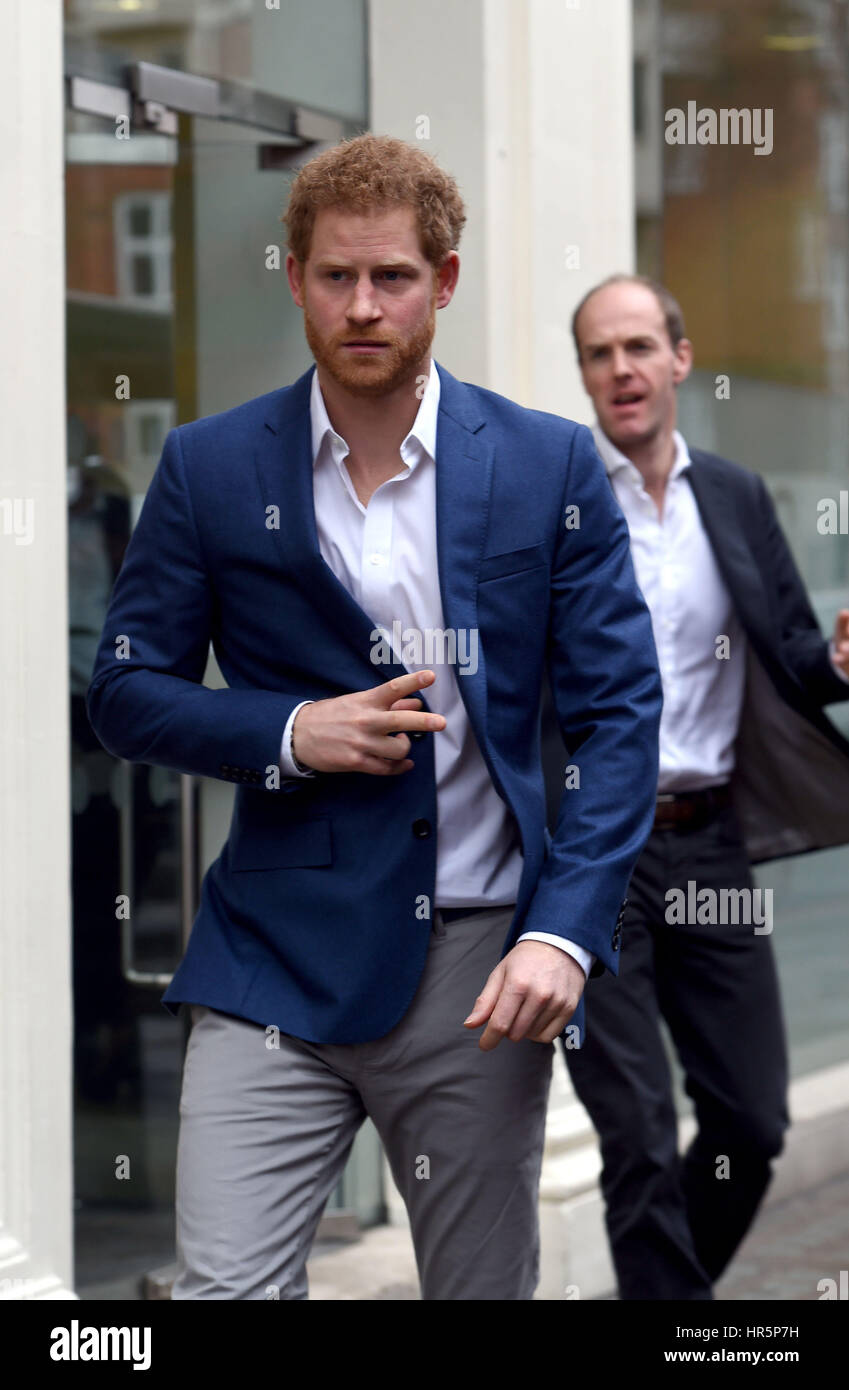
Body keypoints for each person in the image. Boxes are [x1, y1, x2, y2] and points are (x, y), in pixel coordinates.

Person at [86, 137, 662, 1301]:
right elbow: (126, 688)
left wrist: (563, 931)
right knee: (223, 1292)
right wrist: (291, 731)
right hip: (272, 959)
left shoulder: (549, 466)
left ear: (443, 282)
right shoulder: (205, 467)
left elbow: (619, 716)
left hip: (479, 969)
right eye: (335, 276)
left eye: (392, 276)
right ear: (292, 276)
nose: (362, 305)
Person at [555, 272, 849, 1300]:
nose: (621, 369)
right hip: (596, 853)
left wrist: (841, 666)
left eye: (639, 347)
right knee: (635, 1132)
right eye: (600, 352)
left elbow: (794, 650)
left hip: (710, 842)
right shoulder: (559, 500)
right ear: (585, 373)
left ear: (679, 359)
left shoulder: (732, 492)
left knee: (752, 1120)